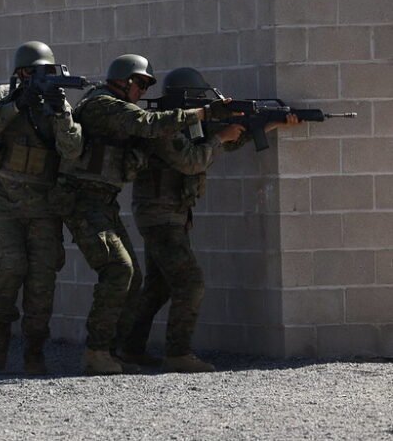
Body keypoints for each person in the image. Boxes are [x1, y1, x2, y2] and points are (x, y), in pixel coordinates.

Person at [52, 55, 239, 375]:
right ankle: (98, 352)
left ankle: (114, 351)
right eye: (140, 83)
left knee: (134, 277)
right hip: (81, 200)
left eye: (146, 85)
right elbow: (148, 125)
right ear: (123, 80)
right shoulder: (103, 105)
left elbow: (176, 135)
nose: (142, 90)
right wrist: (203, 112)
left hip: (103, 201)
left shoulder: (123, 109)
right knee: (119, 269)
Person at [115, 67, 300, 373]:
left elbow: (220, 143)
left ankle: (129, 348)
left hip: (170, 215)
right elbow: (192, 161)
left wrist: (268, 123)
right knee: (190, 283)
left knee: (159, 287)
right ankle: (178, 353)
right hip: (160, 216)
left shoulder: (186, 125)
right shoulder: (165, 128)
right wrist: (222, 137)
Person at [0, 41, 82, 375]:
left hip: (43, 206)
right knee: (10, 268)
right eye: (31, 72)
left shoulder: (57, 103)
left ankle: (34, 348)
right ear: (20, 73)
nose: (35, 77)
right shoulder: (2, 96)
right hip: (4, 201)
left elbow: (72, 148)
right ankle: (2, 334)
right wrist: (18, 104)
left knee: (41, 280)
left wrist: (61, 112)